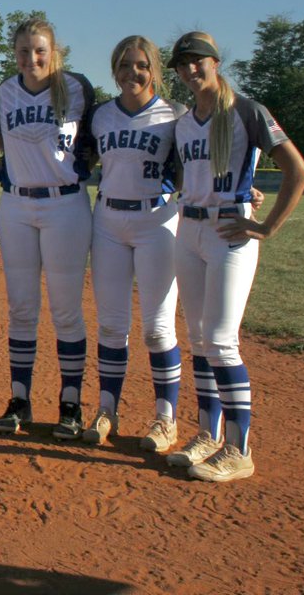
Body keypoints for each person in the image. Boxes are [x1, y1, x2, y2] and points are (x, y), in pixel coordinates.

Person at [166, 31, 304, 482]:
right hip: (189, 229)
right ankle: (208, 434)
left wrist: (264, 227)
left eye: (198, 60)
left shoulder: (246, 110)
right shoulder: (185, 121)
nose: (191, 69)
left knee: (223, 341)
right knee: (200, 339)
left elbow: (298, 171)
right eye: (183, 63)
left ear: (216, 61)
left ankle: (238, 449)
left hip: (229, 232)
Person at [0, 18, 95, 440]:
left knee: (66, 311)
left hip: (65, 204)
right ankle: (20, 400)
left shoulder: (77, 88)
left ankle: (70, 404)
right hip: (16, 205)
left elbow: (104, 132)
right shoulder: (2, 91)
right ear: (13, 54)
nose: (31, 58)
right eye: (22, 51)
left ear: (55, 52)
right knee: (20, 309)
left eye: (39, 51)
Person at [85, 36, 185, 450]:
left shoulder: (175, 115)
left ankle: (166, 419)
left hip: (156, 220)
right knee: (111, 324)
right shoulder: (100, 116)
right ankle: (107, 408)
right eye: (124, 65)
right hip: (107, 219)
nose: (132, 73)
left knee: (158, 329)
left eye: (141, 65)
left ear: (154, 70)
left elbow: (193, 167)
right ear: (115, 69)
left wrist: (246, 190)